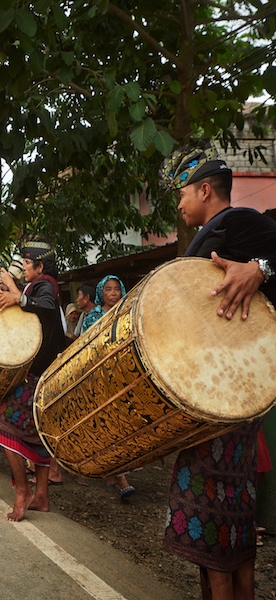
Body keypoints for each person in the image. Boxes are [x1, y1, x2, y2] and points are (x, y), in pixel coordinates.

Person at [158, 141, 276, 599]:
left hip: (224, 401)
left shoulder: (240, 223)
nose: (180, 203)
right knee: (230, 529)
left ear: (205, 189)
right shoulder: (215, 230)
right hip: (218, 397)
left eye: (183, 193)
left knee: (214, 525)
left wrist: (261, 269)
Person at [0, 235, 67, 521]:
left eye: (26, 263)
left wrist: (18, 296)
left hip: (37, 374)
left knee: (1, 423)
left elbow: (43, 306)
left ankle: (23, 491)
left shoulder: (45, 286)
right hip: (43, 373)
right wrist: (13, 288)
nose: (23, 268)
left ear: (40, 266)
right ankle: (42, 495)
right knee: (38, 435)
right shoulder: (39, 285)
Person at [80, 274, 137, 499]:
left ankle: (116, 473)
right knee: (107, 423)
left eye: (116, 289)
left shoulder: (128, 311)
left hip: (124, 374)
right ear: (101, 293)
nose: (113, 293)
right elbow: (86, 344)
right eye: (108, 290)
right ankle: (118, 477)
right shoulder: (92, 316)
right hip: (101, 376)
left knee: (121, 424)